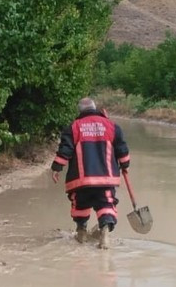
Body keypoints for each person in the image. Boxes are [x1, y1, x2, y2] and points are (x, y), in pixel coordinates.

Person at [50, 97, 130, 248]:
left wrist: (56, 168)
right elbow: (122, 149)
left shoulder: (73, 127)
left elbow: (65, 150)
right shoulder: (112, 126)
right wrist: (125, 164)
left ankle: (81, 233)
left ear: (80, 111)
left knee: (80, 205)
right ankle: (105, 233)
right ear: (95, 108)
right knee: (106, 204)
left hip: (81, 180)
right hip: (105, 179)